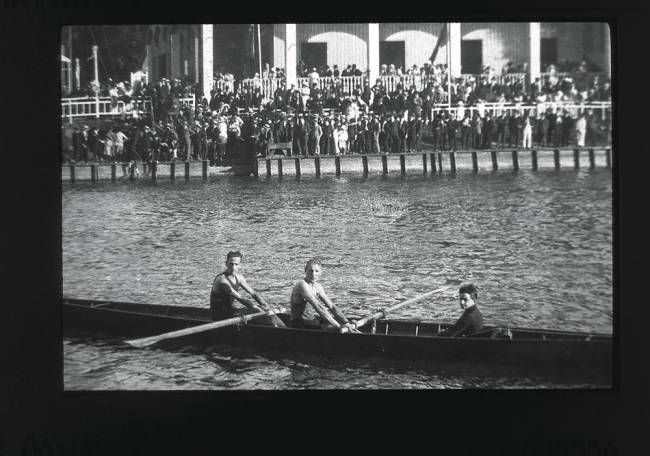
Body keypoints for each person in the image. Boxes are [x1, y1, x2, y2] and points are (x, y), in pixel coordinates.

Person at [210, 251, 285, 327]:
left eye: (236, 264)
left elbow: (253, 293)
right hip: (220, 316)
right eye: (231, 264)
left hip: (231, 311)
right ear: (226, 263)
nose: (233, 267)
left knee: (264, 308)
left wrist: (265, 305)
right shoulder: (222, 280)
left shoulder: (239, 277)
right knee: (259, 310)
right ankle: (278, 329)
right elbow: (240, 298)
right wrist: (256, 308)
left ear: (240, 266)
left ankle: (282, 328)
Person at [290, 258, 358, 333]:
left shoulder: (318, 286)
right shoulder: (301, 284)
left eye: (316, 271)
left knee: (342, 324)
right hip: (299, 324)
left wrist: (345, 322)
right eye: (311, 270)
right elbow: (318, 306)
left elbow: (332, 307)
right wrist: (338, 326)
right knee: (333, 327)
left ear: (320, 273)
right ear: (305, 270)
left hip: (310, 321)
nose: (313, 274)